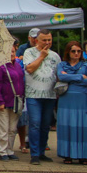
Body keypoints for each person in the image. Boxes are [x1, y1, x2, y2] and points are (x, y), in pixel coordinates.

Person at [23, 29, 60, 165]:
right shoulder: (29, 52)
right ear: (37, 40)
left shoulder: (55, 56)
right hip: (33, 94)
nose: (47, 42)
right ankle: (34, 154)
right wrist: (41, 56)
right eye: (44, 40)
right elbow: (30, 69)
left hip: (50, 95)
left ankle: (42, 152)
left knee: (45, 125)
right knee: (35, 123)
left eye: (49, 40)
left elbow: (58, 75)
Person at [56, 41, 87, 164]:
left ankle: (84, 156)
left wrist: (70, 76)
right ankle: (67, 155)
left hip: (84, 101)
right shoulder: (62, 65)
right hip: (66, 101)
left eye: (79, 51)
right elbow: (61, 77)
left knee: (84, 127)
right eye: (73, 51)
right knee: (67, 126)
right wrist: (80, 77)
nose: (76, 53)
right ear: (68, 52)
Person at [0, 48, 25, 161]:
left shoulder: (18, 66)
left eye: (13, 51)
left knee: (12, 128)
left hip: (16, 101)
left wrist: (22, 99)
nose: (11, 54)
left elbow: (21, 82)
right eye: (8, 51)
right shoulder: (0, 66)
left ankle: (10, 150)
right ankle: (2, 151)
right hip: (4, 102)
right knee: (4, 128)